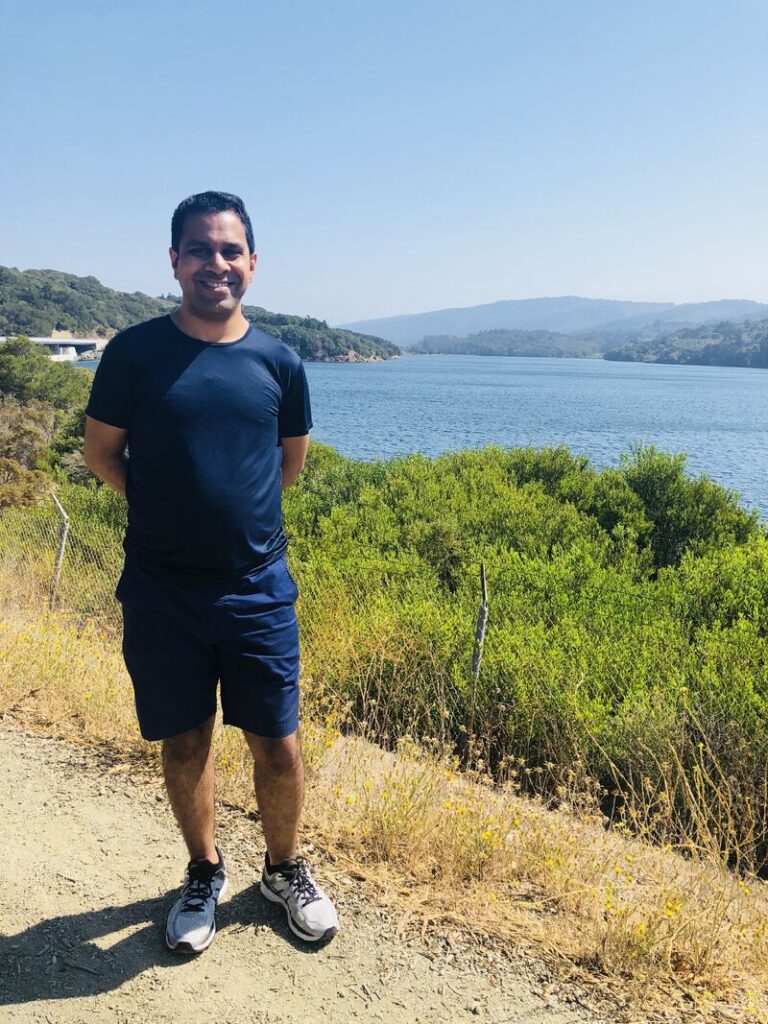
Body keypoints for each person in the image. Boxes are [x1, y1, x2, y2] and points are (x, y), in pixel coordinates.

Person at [84, 190, 339, 953]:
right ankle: (204, 871)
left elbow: (285, 467)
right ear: (174, 261)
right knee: (186, 740)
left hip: (258, 589)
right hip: (162, 592)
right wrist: (164, 508)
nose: (215, 263)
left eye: (230, 251)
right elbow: (103, 454)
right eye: (199, 249)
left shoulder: (280, 363)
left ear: (252, 264)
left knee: (279, 743)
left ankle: (283, 868)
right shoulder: (133, 353)